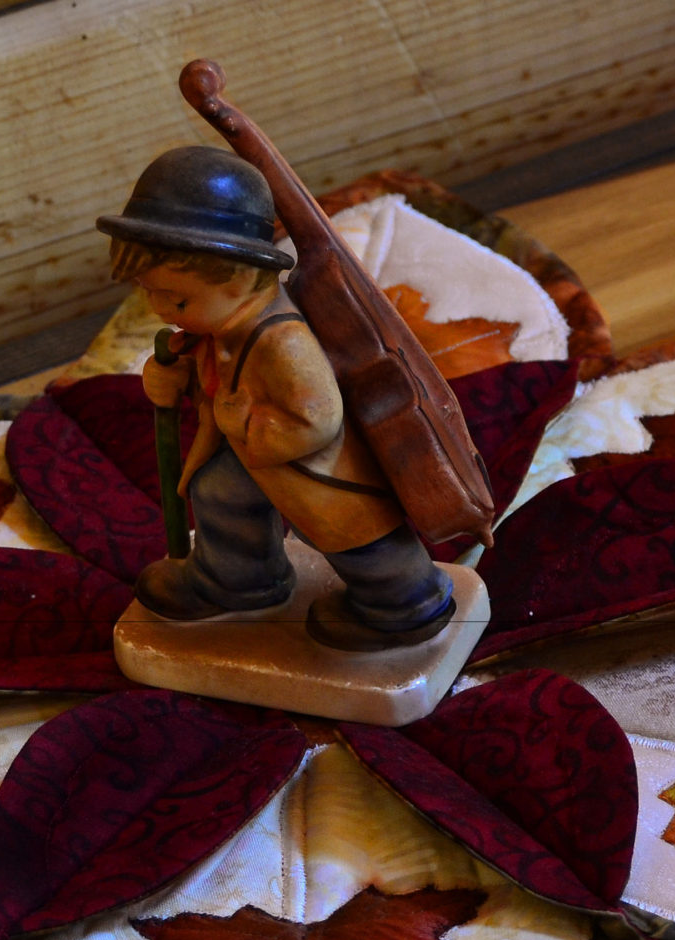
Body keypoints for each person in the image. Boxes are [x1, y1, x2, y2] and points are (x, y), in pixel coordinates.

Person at [97, 146, 455, 651]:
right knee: (220, 490)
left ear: (241, 276)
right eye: (148, 292)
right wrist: (172, 380)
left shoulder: (283, 341)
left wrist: (237, 417)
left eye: (176, 299)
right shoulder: (223, 325)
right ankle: (240, 581)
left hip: (320, 469)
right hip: (259, 459)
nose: (159, 310)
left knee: (353, 536)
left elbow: (317, 418)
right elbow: (212, 376)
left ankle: (407, 602)